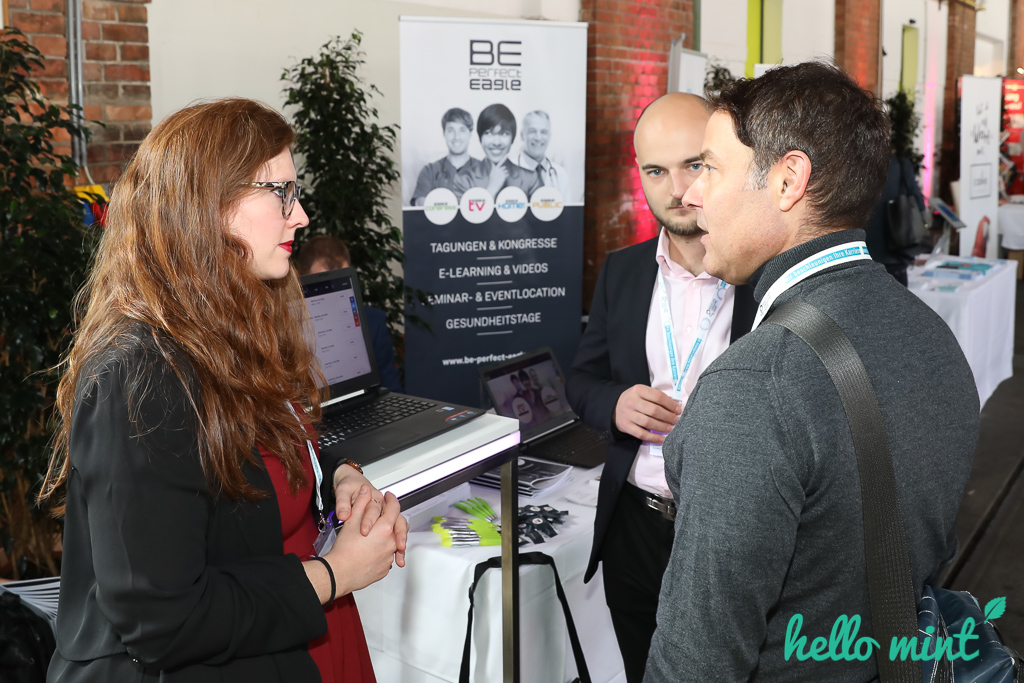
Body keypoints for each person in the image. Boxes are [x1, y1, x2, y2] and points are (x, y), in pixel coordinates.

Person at [39, 98, 410, 683]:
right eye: (281, 193)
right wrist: (336, 573)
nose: (300, 215)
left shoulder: (237, 330)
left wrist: (337, 476)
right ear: (206, 206)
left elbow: (260, 462)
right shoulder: (140, 377)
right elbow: (164, 621)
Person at [644, 62, 978, 682]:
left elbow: (696, 662)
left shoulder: (756, 385)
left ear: (787, 180)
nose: (689, 195)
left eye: (710, 168)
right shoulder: (930, 333)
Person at [565, 92, 757, 683]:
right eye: (655, 171)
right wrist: (615, 404)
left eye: (693, 165)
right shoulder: (622, 271)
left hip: (730, 533)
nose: (676, 189)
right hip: (635, 527)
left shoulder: (762, 278)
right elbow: (581, 380)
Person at [295, 235, 403, 393]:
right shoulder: (282, 326)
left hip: (366, 403)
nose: (332, 293)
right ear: (298, 277)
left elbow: (391, 388)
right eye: (322, 286)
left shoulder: (373, 321)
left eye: (340, 282)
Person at [864, 154, 927, 286]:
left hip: (864, 251)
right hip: (896, 247)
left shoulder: (855, 166)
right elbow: (918, 203)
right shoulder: (900, 165)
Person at [454, 103, 540, 198]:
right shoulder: (464, 179)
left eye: (504, 134)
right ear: (480, 138)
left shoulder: (530, 179)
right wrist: (491, 189)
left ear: (512, 138)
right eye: (489, 133)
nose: (496, 142)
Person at [411, 107, 475, 205]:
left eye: (462, 130)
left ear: (470, 134)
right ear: (444, 133)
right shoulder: (430, 171)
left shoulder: (484, 170)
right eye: (450, 130)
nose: (456, 137)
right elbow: (420, 206)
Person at [516, 110, 572, 199]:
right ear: (522, 135)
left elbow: (568, 207)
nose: (538, 138)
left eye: (543, 132)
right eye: (532, 131)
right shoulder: (509, 172)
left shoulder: (560, 174)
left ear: (549, 136)